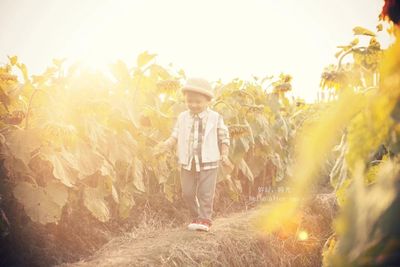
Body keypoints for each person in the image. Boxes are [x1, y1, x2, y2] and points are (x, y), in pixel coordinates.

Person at [153, 77, 231, 232]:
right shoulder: (183, 117)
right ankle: (196, 216)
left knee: (205, 192)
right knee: (187, 193)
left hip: (208, 160)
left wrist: (224, 153)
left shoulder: (215, 117)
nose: (193, 105)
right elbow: (175, 135)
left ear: (207, 101)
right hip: (188, 160)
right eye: (189, 101)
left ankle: (205, 219)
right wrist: (166, 145)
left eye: (198, 102)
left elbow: (224, 136)